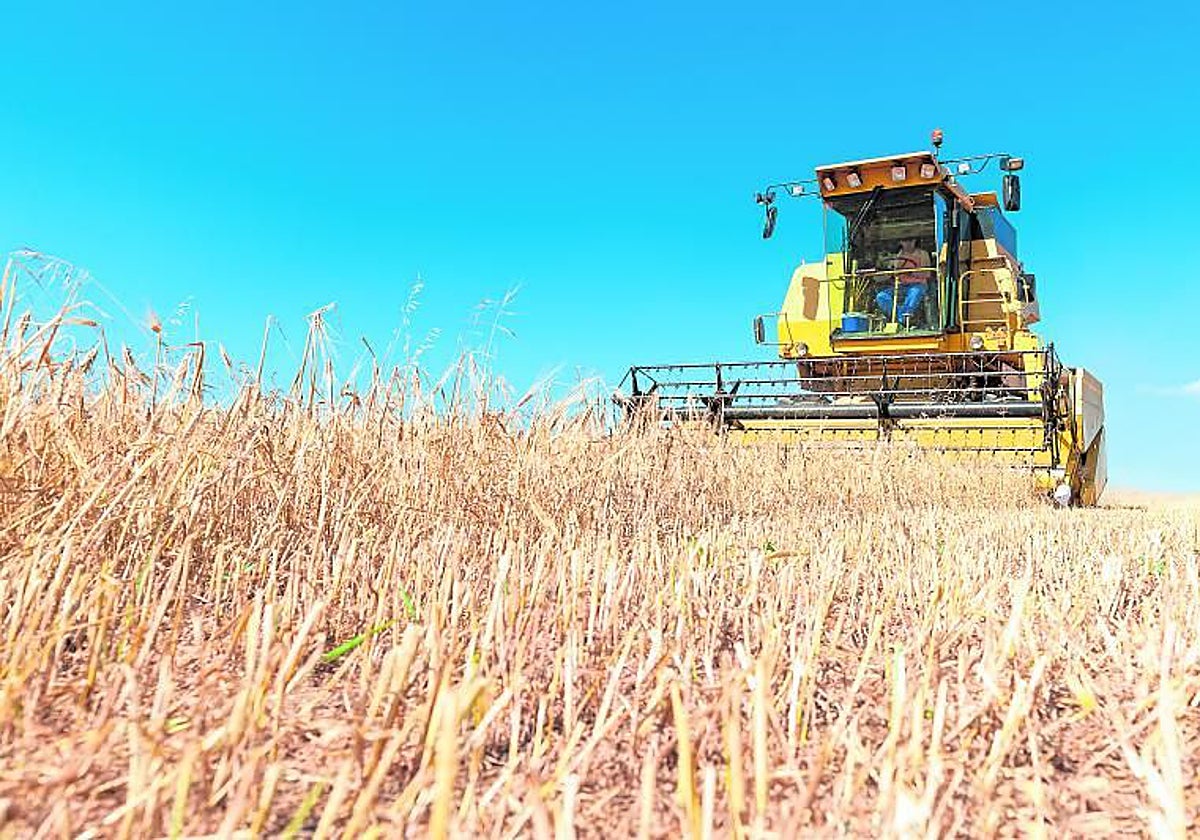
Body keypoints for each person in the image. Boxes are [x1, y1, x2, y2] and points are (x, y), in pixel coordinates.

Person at [875, 238, 930, 325]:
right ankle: (899, 318)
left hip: (918, 284)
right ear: (900, 242)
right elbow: (894, 272)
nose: (908, 243)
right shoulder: (899, 255)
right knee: (881, 296)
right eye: (904, 241)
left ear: (915, 241)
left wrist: (910, 272)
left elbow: (927, 273)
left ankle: (902, 319)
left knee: (915, 292)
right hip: (901, 286)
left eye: (910, 240)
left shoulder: (923, 254)